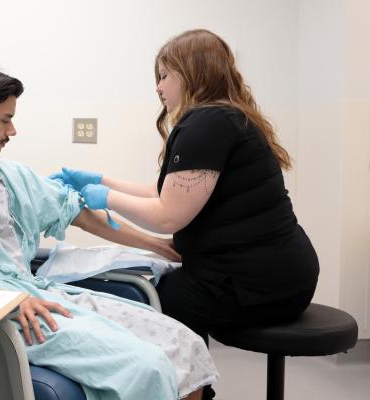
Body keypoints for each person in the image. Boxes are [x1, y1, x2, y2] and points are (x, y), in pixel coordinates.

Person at [0, 61, 218, 400]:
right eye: (6, 120)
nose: (13, 131)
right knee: (148, 366)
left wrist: (156, 245)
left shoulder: (8, 175)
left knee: (185, 345)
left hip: (35, 294)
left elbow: (77, 212)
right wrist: (3, 298)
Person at [52, 29, 319, 399]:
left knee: (160, 296)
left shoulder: (206, 124)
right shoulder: (226, 118)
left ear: (191, 73)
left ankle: (191, 393)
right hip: (282, 273)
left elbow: (166, 217)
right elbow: (166, 194)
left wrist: (104, 196)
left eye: (164, 75)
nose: (159, 87)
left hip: (260, 282)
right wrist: (99, 179)